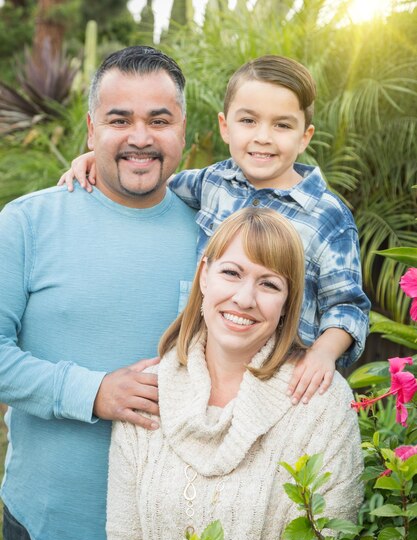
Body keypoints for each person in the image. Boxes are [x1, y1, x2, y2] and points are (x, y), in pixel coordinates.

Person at [0, 46, 199, 540]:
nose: (141, 137)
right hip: (48, 532)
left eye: (159, 120)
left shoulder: (216, 233)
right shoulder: (26, 224)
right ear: (92, 129)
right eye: (120, 120)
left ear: (183, 130)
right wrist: (91, 392)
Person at [60, 54, 370, 406]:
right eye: (248, 121)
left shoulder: (327, 216)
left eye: (282, 126)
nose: (263, 138)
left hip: (281, 386)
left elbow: (348, 306)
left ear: (305, 136)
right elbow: (150, 178)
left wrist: (324, 354)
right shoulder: (213, 183)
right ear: (226, 127)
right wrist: (97, 160)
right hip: (203, 377)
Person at [106, 206, 364, 540]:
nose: (245, 298)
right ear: (203, 274)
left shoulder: (320, 403)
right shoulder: (150, 391)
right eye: (231, 273)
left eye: (269, 283)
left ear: (288, 301)